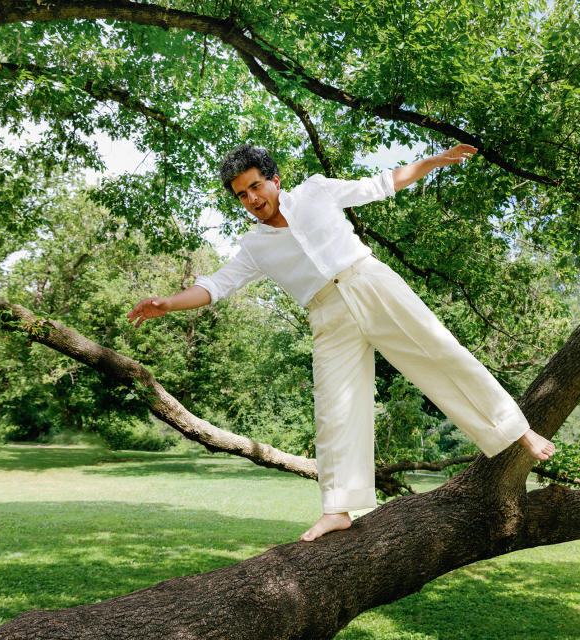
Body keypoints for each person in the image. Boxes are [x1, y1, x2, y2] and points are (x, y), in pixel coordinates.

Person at [127, 144, 556, 542]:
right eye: (242, 195)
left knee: (440, 353)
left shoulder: (315, 191)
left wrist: (431, 161)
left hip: (368, 281)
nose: (252, 199)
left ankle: (517, 431)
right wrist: (168, 303)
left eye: (255, 186)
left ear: (275, 180)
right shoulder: (254, 245)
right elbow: (216, 285)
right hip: (326, 314)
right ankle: (339, 508)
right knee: (334, 406)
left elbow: (381, 184)